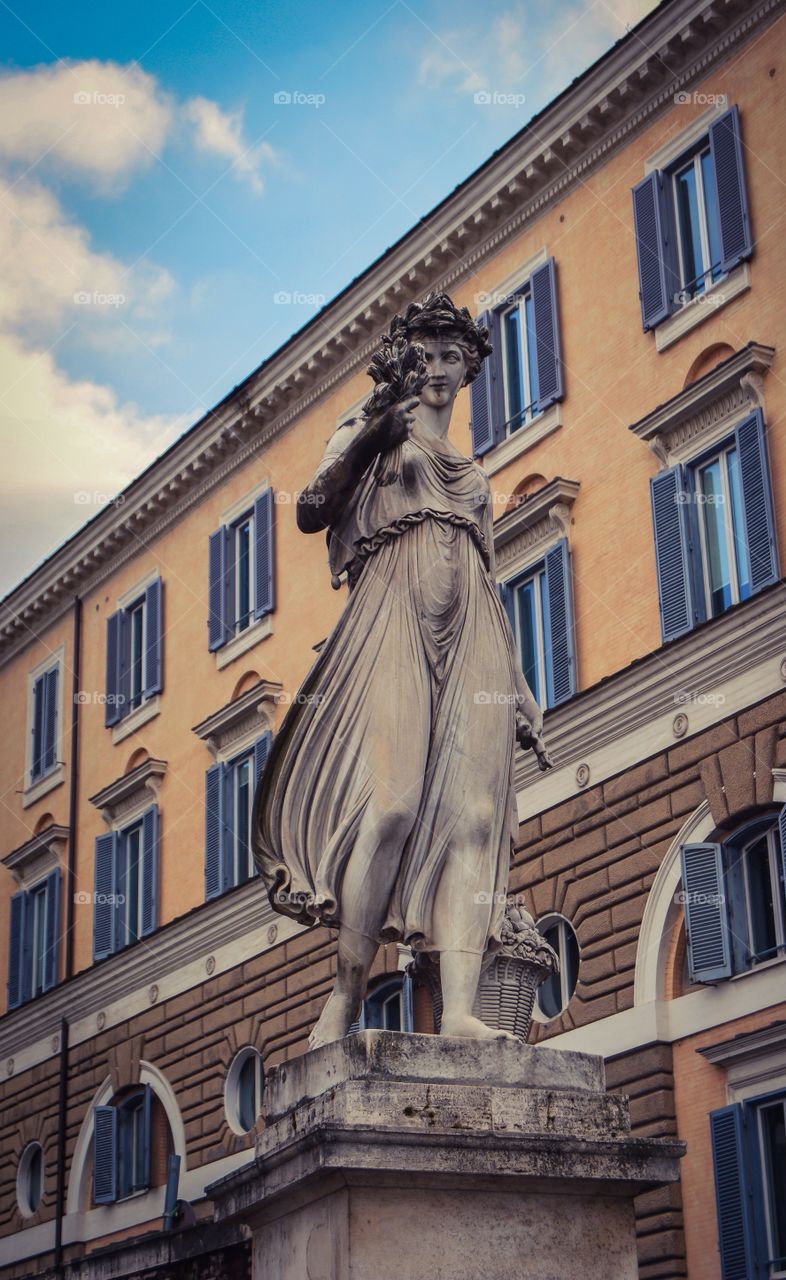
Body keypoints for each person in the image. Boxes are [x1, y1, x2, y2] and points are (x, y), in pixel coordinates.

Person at [252, 293, 552, 1048]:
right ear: (403, 360)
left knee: (477, 818)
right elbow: (312, 509)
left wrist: (517, 688)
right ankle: (345, 995)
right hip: (392, 608)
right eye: (426, 354)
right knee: (389, 806)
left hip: (475, 628)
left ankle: (457, 1009)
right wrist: (373, 436)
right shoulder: (371, 430)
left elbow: (489, 576)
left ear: (471, 366)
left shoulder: (474, 475)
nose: (440, 369)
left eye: (454, 356)